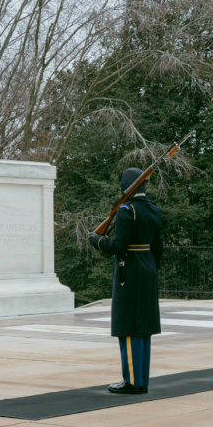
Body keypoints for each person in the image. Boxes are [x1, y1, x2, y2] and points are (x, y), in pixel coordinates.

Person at [87, 168, 163, 394]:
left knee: (129, 326)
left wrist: (98, 241)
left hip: (128, 269)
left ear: (126, 187)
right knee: (144, 328)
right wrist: (150, 267)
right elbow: (157, 246)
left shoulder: (126, 210)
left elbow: (119, 246)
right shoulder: (154, 209)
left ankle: (131, 381)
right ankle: (141, 380)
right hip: (147, 266)